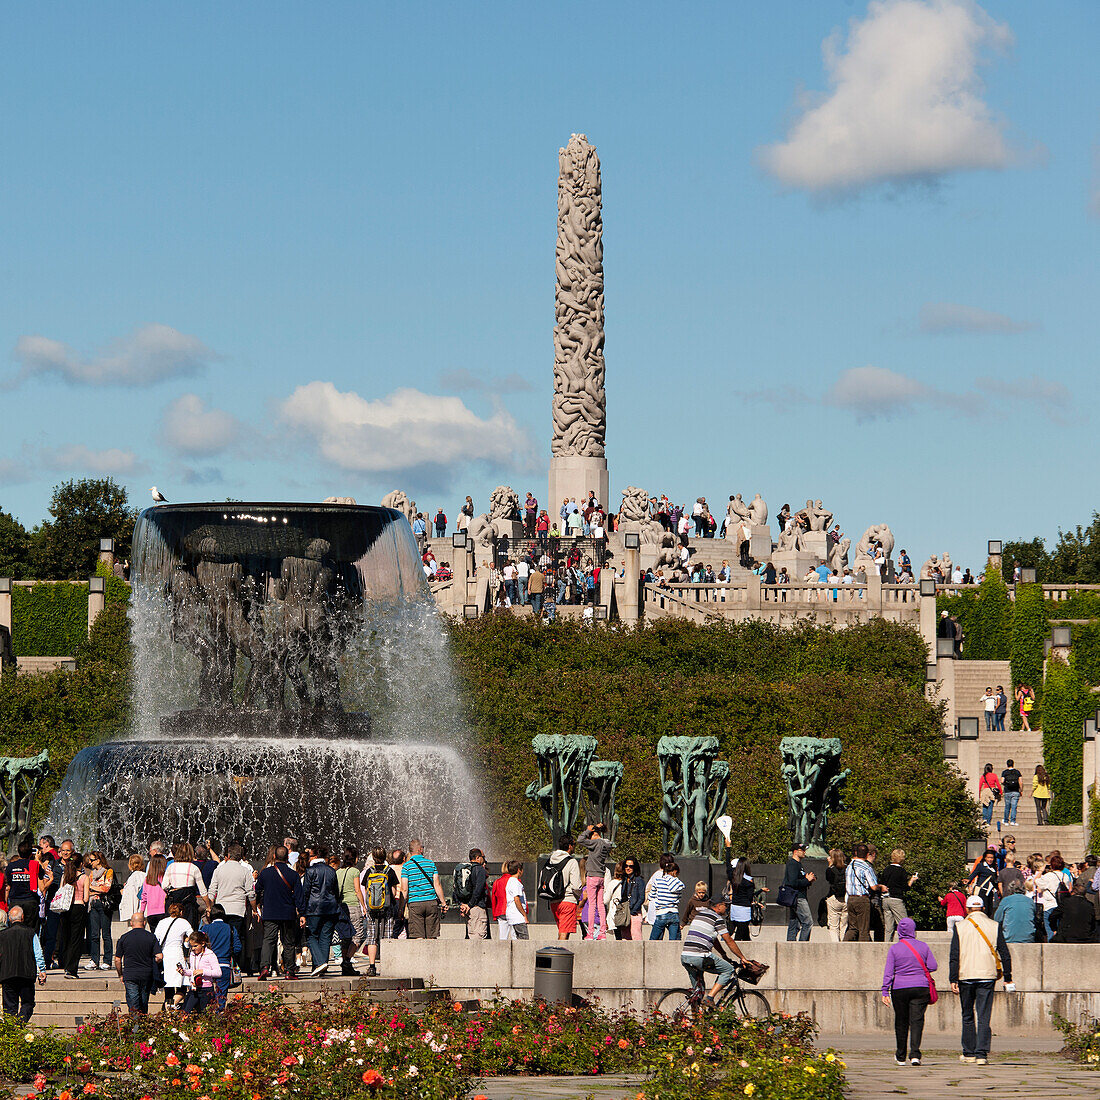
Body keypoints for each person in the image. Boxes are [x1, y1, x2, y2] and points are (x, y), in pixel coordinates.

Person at [950, 895, 1013, 1065]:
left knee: (967, 1014)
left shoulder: (960, 926)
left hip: (966, 975)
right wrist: (1008, 977)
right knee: (984, 1015)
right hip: (987, 974)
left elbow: (954, 954)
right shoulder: (994, 925)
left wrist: (953, 977)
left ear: (967, 909)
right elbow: (1004, 954)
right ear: (983, 908)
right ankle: (981, 1054)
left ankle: (969, 1052)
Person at [881, 918, 938, 1066]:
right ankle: (915, 1055)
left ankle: (900, 1056)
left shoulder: (894, 949)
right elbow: (933, 966)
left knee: (901, 1021)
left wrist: (885, 991)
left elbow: (889, 972)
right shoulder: (923, 946)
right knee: (917, 1021)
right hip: (921, 987)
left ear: (899, 931)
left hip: (899, 988)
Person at [680, 894, 753, 1007]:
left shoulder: (700, 915)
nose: (727, 908)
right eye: (725, 905)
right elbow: (729, 940)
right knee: (728, 970)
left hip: (686, 956)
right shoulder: (717, 918)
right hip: (700, 956)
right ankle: (710, 998)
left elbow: (714, 940)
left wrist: (723, 954)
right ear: (718, 906)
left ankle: (696, 1020)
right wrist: (742, 958)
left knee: (698, 991)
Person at [256, 846, 303, 980]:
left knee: (268, 940)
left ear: (274, 857)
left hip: (270, 912)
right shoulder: (293, 875)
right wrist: (303, 913)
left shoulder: (265, 873)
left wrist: (258, 905)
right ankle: (289, 971)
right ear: (287, 858)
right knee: (288, 942)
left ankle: (265, 967)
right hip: (288, 913)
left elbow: (257, 890)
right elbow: (299, 897)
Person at [208, 843, 256, 964]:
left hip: (221, 910)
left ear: (228, 855)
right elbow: (251, 893)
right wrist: (255, 909)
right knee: (236, 938)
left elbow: (212, 891)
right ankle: (235, 964)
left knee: (222, 937)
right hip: (238, 910)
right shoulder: (245, 871)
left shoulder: (219, 870)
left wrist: (209, 907)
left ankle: (221, 962)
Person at [300, 843, 341, 974]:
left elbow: (305, 892)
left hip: (314, 908)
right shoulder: (331, 871)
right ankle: (322, 966)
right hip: (330, 908)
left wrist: (302, 911)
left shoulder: (310, 871)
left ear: (316, 856)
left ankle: (320, 963)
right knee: (325, 937)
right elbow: (336, 891)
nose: (309, 858)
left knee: (311, 936)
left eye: (310, 856)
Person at [0, 905, 45, 1021]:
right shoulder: (31, 933)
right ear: (23, 917)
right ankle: (20, 1025)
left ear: (10, 918)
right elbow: (38, 953)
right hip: (26, 974)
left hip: (7, 974)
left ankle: (12, 1033)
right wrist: (42, 970)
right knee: (28, 1003)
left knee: (9, 1007)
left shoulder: (2, 935)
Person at [113, 912, 163, 1015]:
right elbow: (159, 956)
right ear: (144, 923)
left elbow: (117, 959)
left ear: (131, 923)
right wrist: (152, 962)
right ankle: (142, 1022)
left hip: (130, 974)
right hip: (146, 974)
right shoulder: (151, 937)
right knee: (144, 1001)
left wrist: (120, 974)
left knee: (133, 1003)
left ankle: (134, 1025)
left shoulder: (124, 937)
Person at [359, 849, 399, 975]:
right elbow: (393, 891)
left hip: (372, 908)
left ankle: (372, 966)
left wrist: (368, 905)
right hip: (387, 908)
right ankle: (386, 966)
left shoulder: (368, 872)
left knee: (372, 937)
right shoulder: (389, 871)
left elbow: (366, 890)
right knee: (387, 935)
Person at [402, 839, 447, 940]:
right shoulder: (430, 864)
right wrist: (443, 903)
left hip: (415, 904)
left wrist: (401, 907)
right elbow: (437, 885)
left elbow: (404, 890)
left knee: (418, 936)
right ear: (420, 849)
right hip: (431, 902)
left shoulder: (406, 866)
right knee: (432, 936)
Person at [578, 823, 614, 941]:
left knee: (592, 905)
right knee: (601, 905)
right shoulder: (606, 844)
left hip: (592, 876)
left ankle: (591, 933)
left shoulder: (595, 843)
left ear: (594, 835)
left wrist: (587, 831)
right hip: (601, 877)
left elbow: (580, 840)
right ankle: (602, 933)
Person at [543, 837, 583, 941]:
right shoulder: (572, 862)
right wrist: (579, 897)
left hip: (553, 901)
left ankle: (560, 953)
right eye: (574, 845)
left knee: (562, 930)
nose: (575, 847)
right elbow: (576, 886)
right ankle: (560, 955)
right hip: (567, 900)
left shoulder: (550, 860)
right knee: (564, 933)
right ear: (570, 846)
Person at [156, 900, 194, 1009]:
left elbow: (156, 939)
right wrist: (186, 942)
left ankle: (168, 1007)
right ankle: (170, 1006)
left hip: (165, 955)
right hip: (177, 954)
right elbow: (192, 938)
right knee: (182, 985)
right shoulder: (184, 922)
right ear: (181, 912)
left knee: (169, 985)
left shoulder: (162, 922)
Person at [57, 853, 89, 979]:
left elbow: (60, 891)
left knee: (66, 937)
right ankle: (72, 969)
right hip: (78, 907)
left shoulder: (65, 876)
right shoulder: (84, 877)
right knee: (76, 939)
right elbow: (86, 898)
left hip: (66, 908)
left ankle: (65, 965)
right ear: (81, 864)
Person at [163, 843, 209, 928]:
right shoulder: (194, 868)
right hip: (188, 904)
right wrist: (208, 906)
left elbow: (164, 885)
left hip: (174, 903)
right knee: (189, 929)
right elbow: (203, 891)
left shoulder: (171, 867)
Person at [844, 844, 883, 941]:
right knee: (864, 930)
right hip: (862, 899)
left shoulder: (850, 866)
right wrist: (881, 887)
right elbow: (873, 887)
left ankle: (842, 947)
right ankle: (865, 953)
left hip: (850, 899)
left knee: (852, 928)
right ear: (867, 855)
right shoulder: (866, 867)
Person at [3, 837, 42, 934]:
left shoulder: (11, 866)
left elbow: (9, 881)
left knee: (14, 929)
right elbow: (42, 876)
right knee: (31, 930)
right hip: (30, 900)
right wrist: (38, 860)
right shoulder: (34, 864)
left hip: (15, 900)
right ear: (31, 853)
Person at [178, 930, 221, 1015]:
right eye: (191, 946)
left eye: (195, 946)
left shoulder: (210, 955)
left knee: (205, 1014)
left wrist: (203, 972)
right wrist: (184, 972)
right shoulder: (192, 954)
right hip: (194, 988)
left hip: (206, 989)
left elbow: (218, 972)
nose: (193, 948)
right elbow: (193, 971)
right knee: (186, 1011)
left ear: (203, 943)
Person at [880, 851, 918, 941]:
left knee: (889, 927)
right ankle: (908, 944)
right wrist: (911, 881)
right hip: (896, 899)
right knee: (905, 923)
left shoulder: (886, 869)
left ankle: (887, 945)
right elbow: (905, 887)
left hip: (885, 899)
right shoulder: (901, 871)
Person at [782, 842, 815, 942]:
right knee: (808, 922)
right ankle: (802, 946)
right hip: (797, 897)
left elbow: (797, 880)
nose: (805, 852)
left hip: (798, 896)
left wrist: (808, 880)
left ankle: (790, 945)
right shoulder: (792, 864)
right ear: (796, 852)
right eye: (802, 850)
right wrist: (807, 880)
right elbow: (792, 882)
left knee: (794, 922)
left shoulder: (798, 864)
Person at [648, 861, 685, 940]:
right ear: (675, 872)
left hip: (661, 913)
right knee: (675, 942)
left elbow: (651, 896)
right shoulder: (679, 884)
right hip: (674, 913)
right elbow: (679, 897)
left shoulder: (658, 881)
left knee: (652, 941)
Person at [967, 849, 1000, 918]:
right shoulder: (980, 866)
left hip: (990, 892)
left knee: (989, 910)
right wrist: (968, 880)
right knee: (983, 910)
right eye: (988, 857)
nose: (990, 859)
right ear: (985, 858)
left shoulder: (994, 867)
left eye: (991, 858)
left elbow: (994, 880)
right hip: (982, 891)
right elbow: (973, 874)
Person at [824, 850, 848, 942]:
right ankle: (843, 943)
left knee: (833, 926)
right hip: (845, 898)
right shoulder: (847, 868)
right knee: (844, 925)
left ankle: (835, 944)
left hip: (834, 897)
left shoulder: (830, 870)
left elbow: (828, 879)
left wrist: (830, 865)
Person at [619, 857, 645, 940]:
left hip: (634, 912)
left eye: (631, 866)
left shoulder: (639, 880)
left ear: (635, 867)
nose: (628, 868)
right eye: (626, 866)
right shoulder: (624, 880)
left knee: (636, 936)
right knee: (625, 937)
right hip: (625, 912)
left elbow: (641, 898)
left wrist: (634, 909)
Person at [503, 862, 528, 939]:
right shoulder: (515, 882)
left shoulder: (510, 881)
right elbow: (516, 899)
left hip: (512, 915)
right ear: (519, 870)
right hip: (518, 916)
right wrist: (524, 915)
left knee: (517, 938)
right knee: (524, 939)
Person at [119, 854, 146, 922]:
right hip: (144, 909)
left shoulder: (133, 877)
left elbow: (131, 896)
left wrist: (123, 892)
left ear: (130, 865)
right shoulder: (146, 875)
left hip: (135, 912)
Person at [1000, 760, 1021, 829]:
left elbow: (1002, 781)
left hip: (1007, 791)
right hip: (1015, 791)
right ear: (1013, 764)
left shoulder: (1005, 772)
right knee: (1014, 807)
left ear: (1007, 765)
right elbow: (1020, 781)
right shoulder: (1017, 772)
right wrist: (1021, 790)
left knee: (1007, 806)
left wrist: (1006, 784)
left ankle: (1006, 820)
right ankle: (1013, 821)